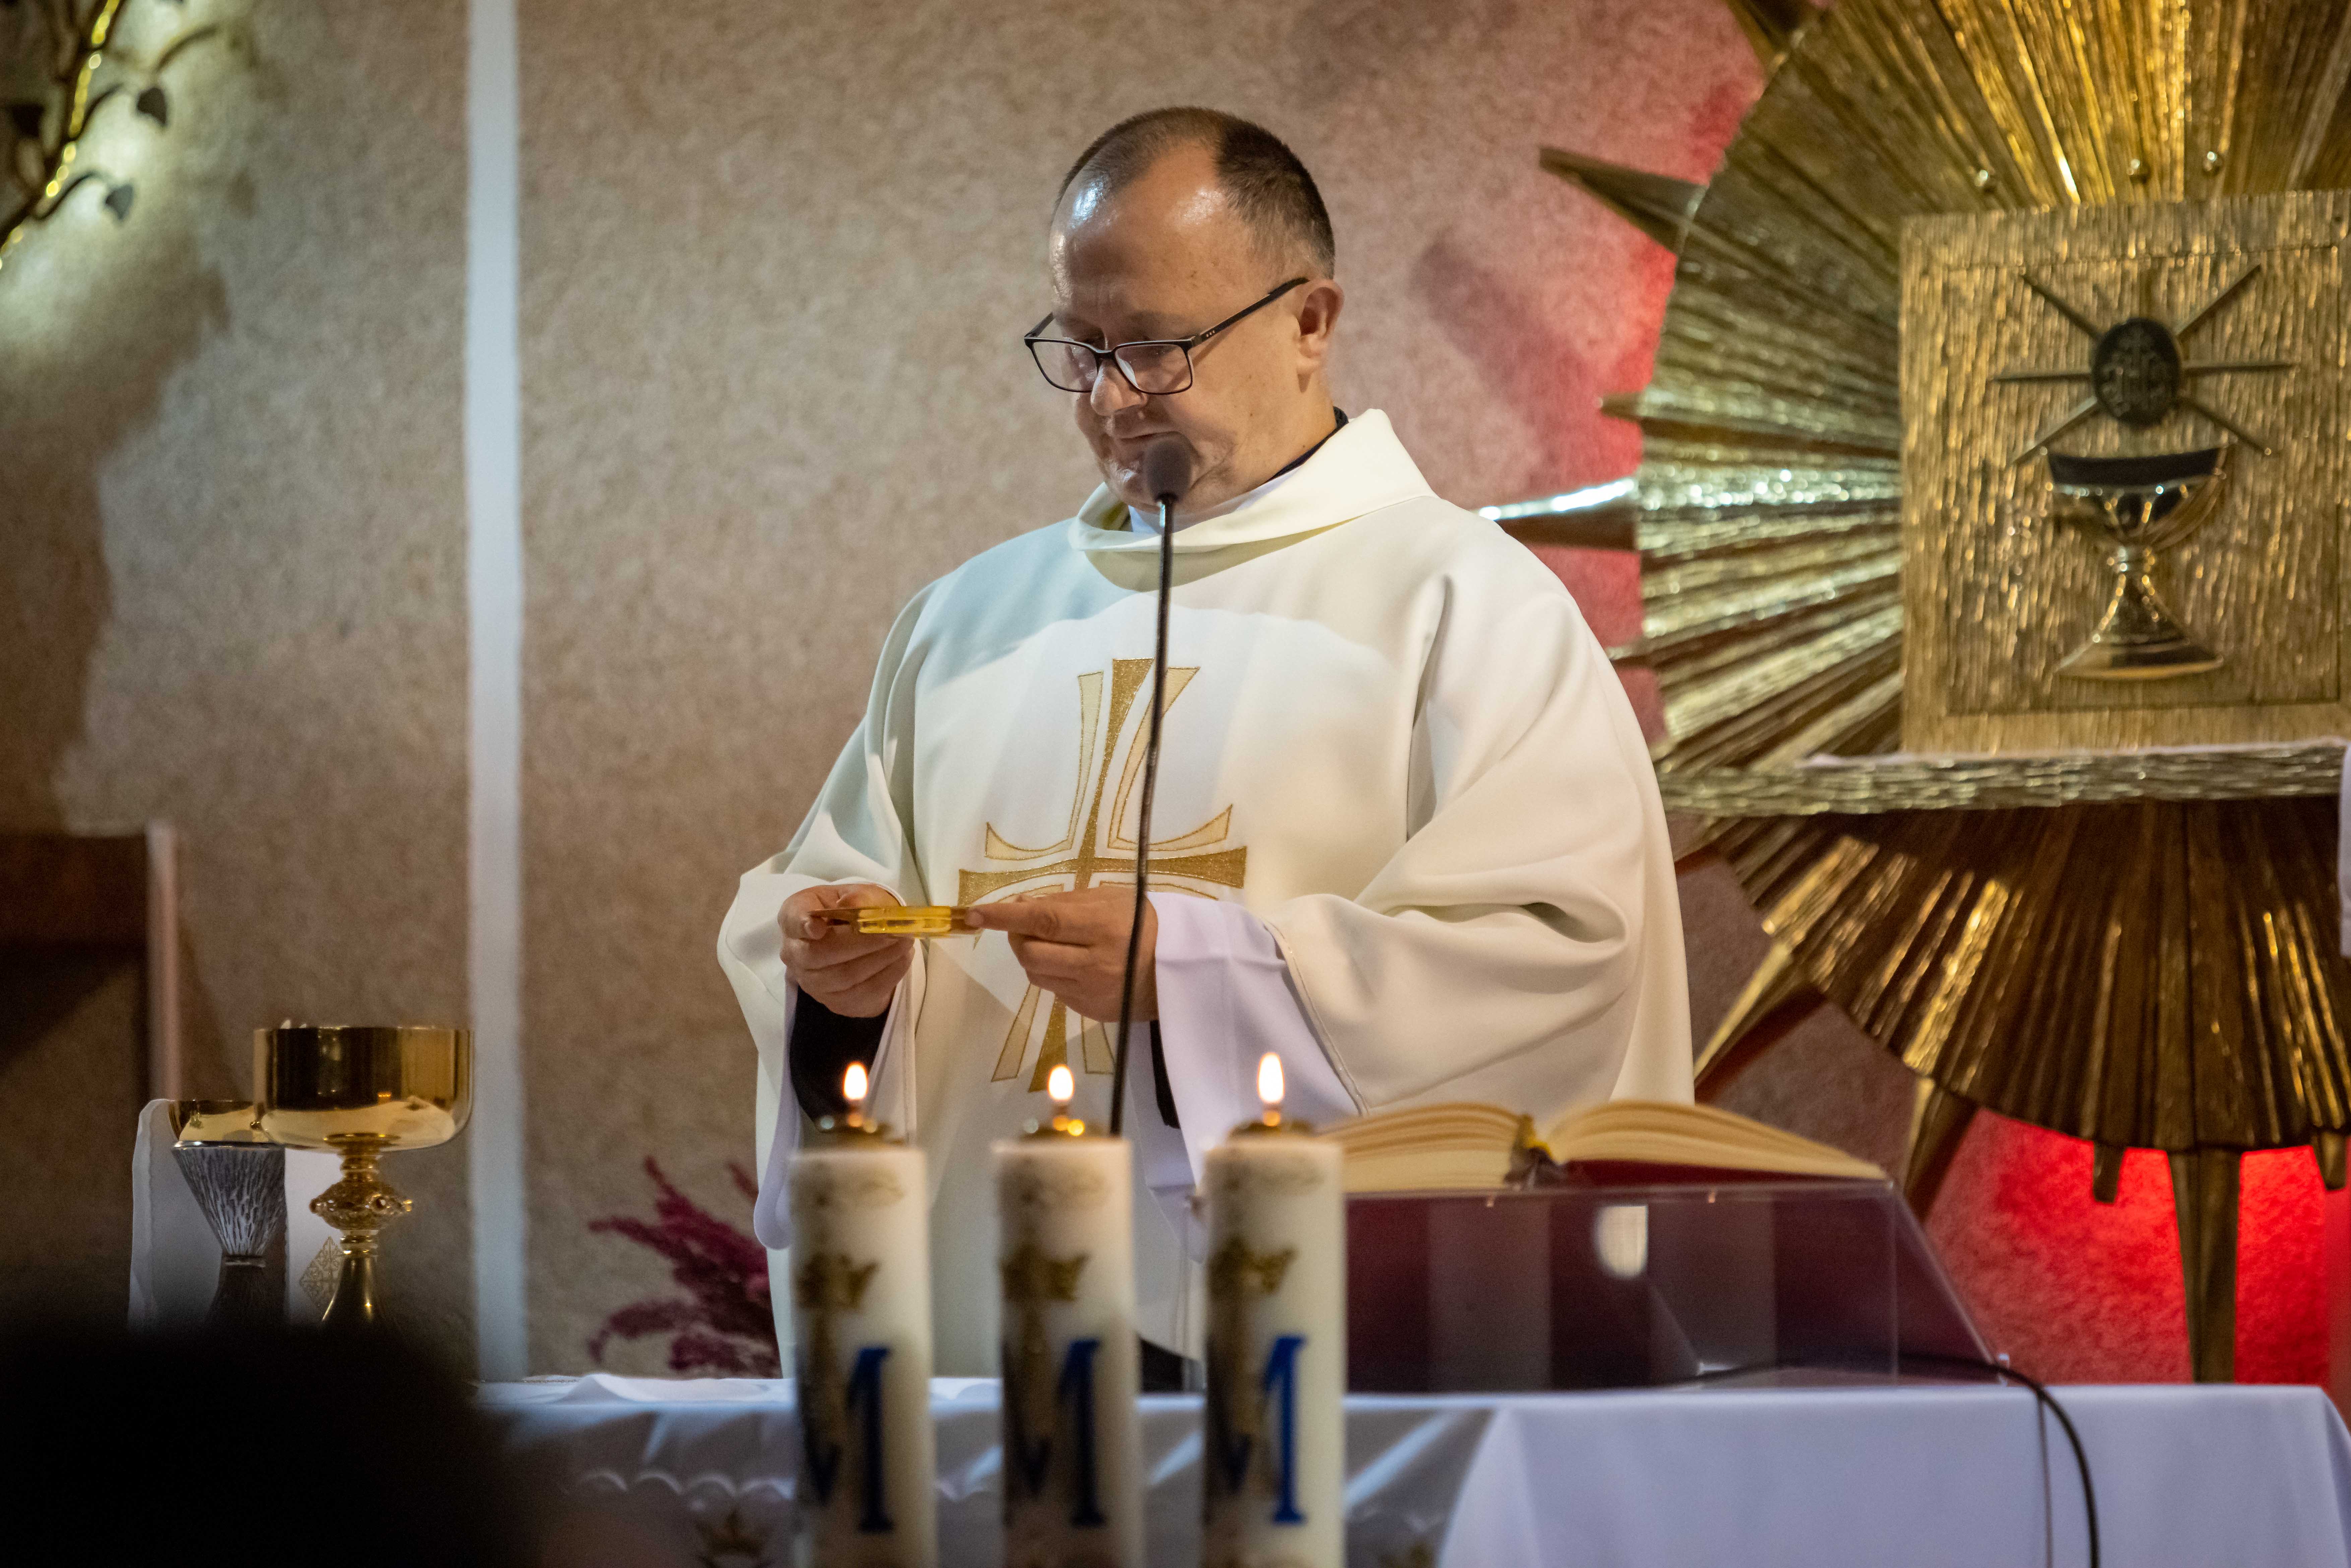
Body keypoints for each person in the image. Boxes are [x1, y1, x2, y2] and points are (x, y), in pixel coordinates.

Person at [719, 107, 1691, 1377]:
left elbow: (1553, 955)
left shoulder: (1466, 605)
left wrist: (1197, 977)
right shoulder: (964, 626)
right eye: (1081, 348)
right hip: (985, 1352)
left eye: (1158, 347)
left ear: (1310, 322)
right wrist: (839, 991)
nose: (1112, 398)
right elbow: (824, 920)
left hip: (1313, 1372)